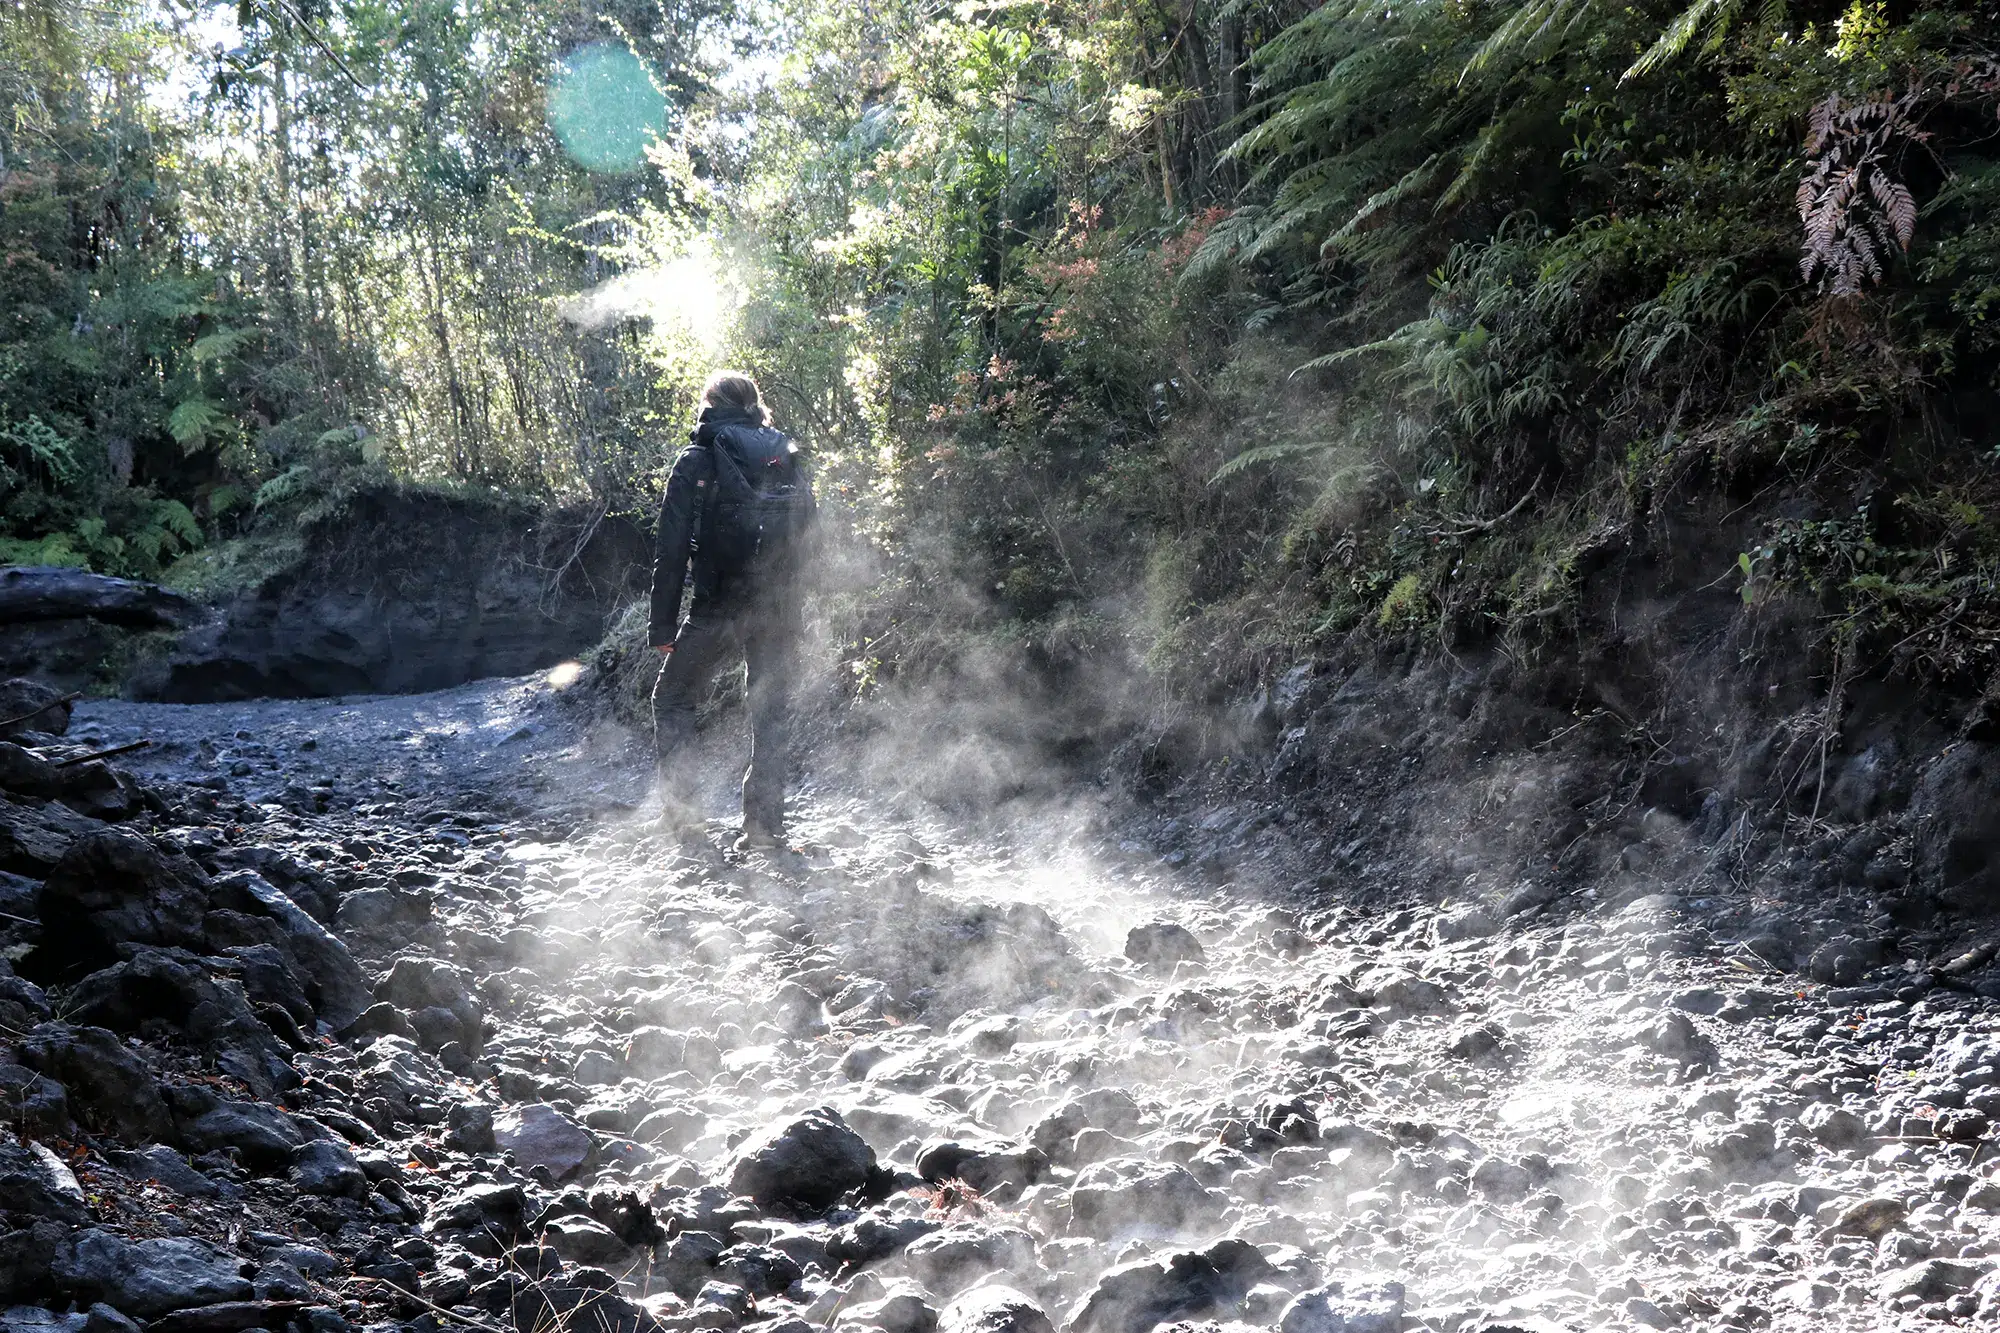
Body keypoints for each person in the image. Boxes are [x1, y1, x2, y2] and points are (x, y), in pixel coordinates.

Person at [648, 371, 814, 849]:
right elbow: (811, 538)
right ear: (754, 406)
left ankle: (689, 831)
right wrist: (798, 612)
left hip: (717, 606)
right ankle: (765, 831)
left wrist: (662, 624)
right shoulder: (786, 456)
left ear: (709, 404)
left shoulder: (696, 459)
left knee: (673, 699)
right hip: (778, 606)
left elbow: (672, 549)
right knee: (771, 710)